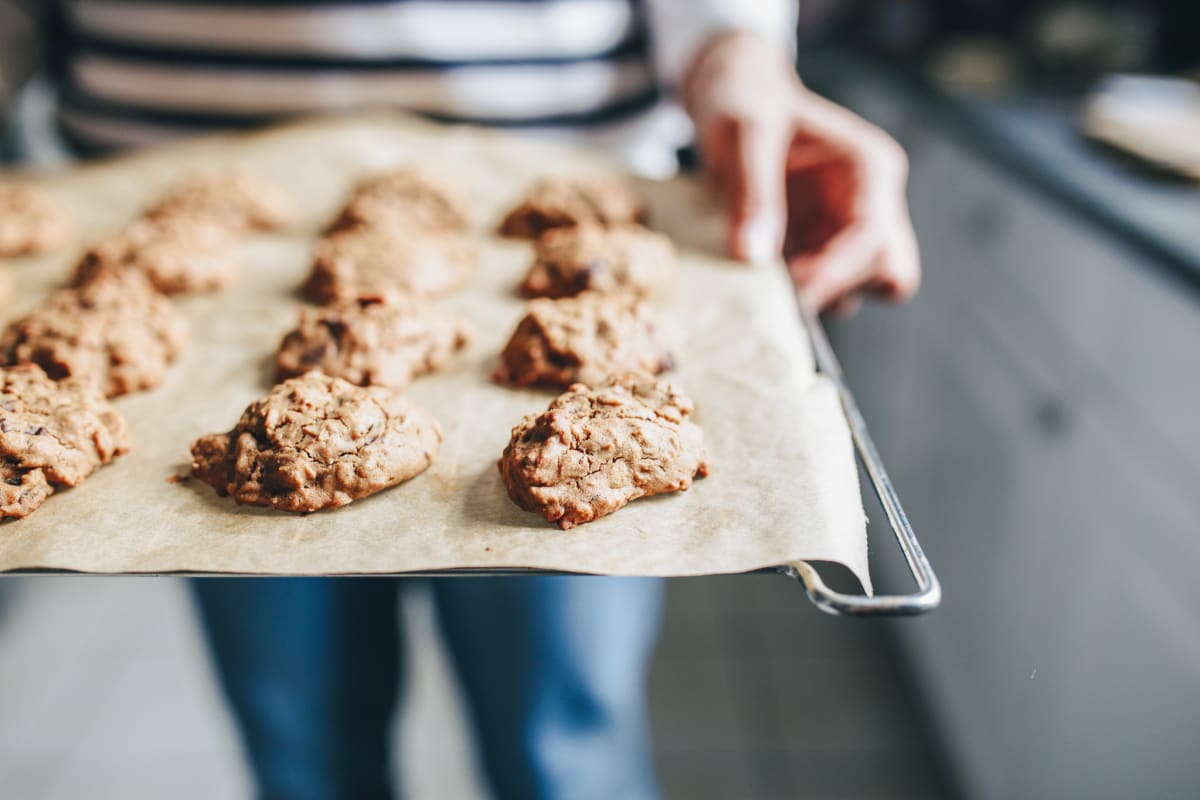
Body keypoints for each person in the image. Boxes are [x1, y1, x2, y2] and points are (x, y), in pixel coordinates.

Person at [1, 2, 920, 798]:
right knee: (303, 748)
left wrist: (736, 49)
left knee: (563, 750)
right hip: (139, 175)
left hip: (572, 157)